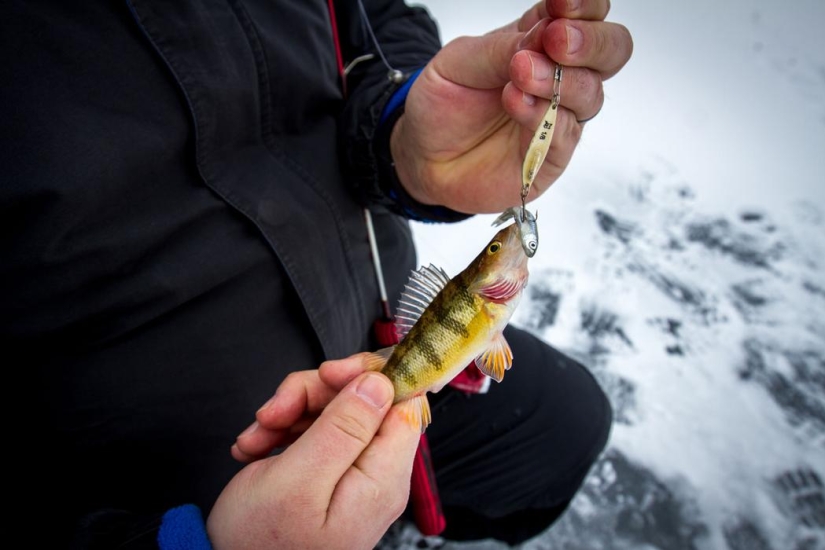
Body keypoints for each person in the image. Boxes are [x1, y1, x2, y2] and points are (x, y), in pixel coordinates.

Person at [1, 0, 632, 547]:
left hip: (360, 336)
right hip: (166, 476)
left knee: (566, 424)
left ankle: (386, 523)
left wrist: (396, 129)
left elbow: (375, 19)